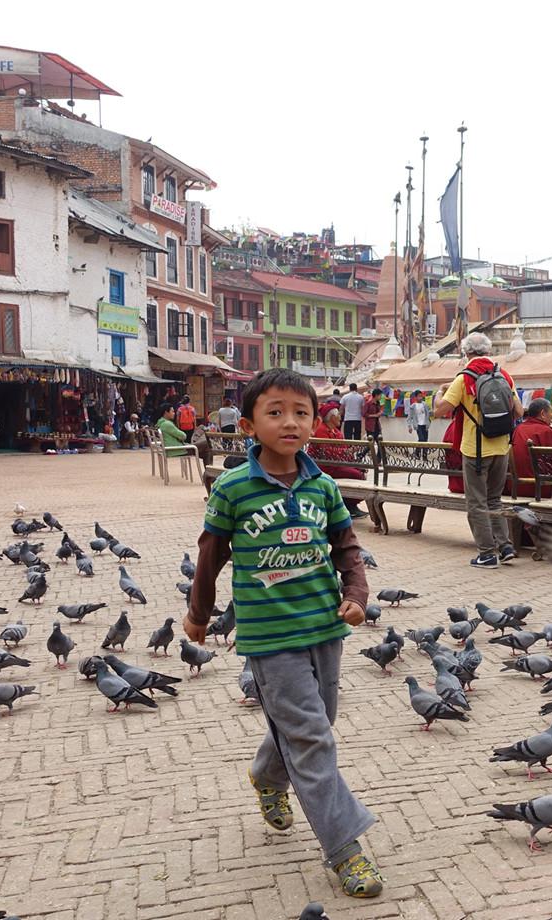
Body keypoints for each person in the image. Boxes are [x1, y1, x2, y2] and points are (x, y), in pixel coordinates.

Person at [183, 367, 383, 899]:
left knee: (318, 721)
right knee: (314, 739)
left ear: (316, 423)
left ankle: (269, 776)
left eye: (301, 412)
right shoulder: (233, 488)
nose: (289, 422)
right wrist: (199, 615)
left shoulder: (321, 486)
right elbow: (211, 556)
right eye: (275, 412)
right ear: (249, 424)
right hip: (269, 640)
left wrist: (356, 597)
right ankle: (344, 850)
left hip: (325, 626)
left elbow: (347, 548)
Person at [433, 331, 523, 567]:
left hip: (476, 450)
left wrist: (440, 392)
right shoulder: (503, 374)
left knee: (476, 503)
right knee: (495, 499)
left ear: (466, 353)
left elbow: (439, 411)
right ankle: (505, 547)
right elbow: (519, 412)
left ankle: (486, 554)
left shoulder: (464, 378)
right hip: (502, 447)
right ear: (488, 351)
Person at [308, 402, 369, 519]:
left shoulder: (336, 431)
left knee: (359, 471)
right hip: (324, 466)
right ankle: (349, 506)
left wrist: (355, 463)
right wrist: (347, 454)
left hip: (335, 464)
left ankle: (349, 505)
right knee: (356, 475)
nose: (340, 418)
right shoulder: (321, 429)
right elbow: (326, 451)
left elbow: (344, 450)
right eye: (339, 416)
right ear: (332, 417)